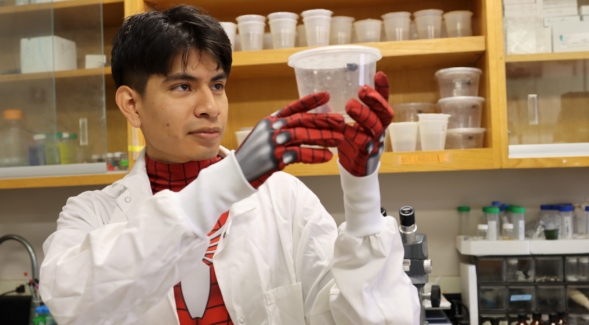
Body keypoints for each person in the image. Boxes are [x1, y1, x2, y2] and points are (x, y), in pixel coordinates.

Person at [39, 5, 420, 325]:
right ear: (131, 105)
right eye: (183, 86)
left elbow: (373, 318)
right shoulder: (94, 213)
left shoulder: (283, 200)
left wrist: (362, 196)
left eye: (217, 85)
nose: (210, 106)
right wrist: (228, 182)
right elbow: (72, 303)